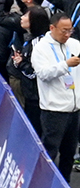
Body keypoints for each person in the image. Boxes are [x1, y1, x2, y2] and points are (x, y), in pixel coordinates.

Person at [33, 10, 80, 179]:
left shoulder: (75, 44)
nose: (67, 34)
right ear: (52, 28)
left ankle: (64, 184)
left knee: (69, 152)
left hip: (74, 110)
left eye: (70, 30)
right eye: (64, 30)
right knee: (50, 151)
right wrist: (66, 65)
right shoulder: (40, 48)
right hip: (54, 110)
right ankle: (43, 184)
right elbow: (43, 74)